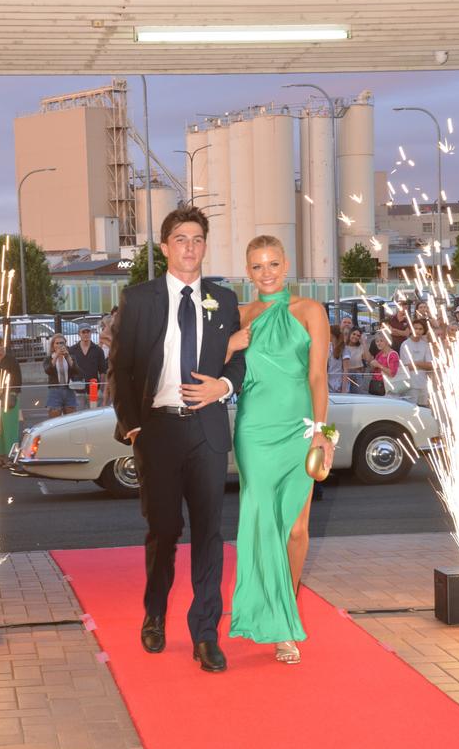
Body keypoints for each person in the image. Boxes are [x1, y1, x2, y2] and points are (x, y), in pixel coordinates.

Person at [109, 206, 245, 673]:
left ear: (205, 246)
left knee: (210, 534)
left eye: (198, 238)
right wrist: (132, 425)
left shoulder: (224, 300)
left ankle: (205, 633)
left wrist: (223, 387)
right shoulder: (139, 299)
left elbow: (236, 361)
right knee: (164, 532)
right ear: (165, 247)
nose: (190, 247)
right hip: (158, 431)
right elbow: (121, 369)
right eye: (181, 239)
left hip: (207, 430)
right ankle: (155, 612)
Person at [228, 235, 334, 664]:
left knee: (295, 528)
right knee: (261, 523)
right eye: (257, 266)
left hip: (300, 429)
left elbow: (318, 377)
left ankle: (282, 613)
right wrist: (228, 345)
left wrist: (321, 432)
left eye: (272, 263)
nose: (266, 272)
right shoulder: (240, 315)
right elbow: (211, 363)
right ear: (248, 272)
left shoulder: (310, 311)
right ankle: (278, 623)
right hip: (254, 429)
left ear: (286, 264)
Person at [0, 335, 22, 467]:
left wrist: (13, 393)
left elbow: (17, 381)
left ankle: (12, 456)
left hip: (9, 396)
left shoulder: (11, 361)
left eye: (0, 344)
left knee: (10, 428)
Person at [69, 323, 107, 410]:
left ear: (91, 333)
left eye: (88, 331)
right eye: (83, 332)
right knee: (79, 416)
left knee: (94, 415)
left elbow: (102, 371)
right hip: (78, 389)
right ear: (79, 334)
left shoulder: (98, 350)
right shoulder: (72, 350)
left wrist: (100, 388)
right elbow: (69, 369)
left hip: (94, 389)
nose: (86, 334)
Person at [43, 334, 82, 418]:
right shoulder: (49, 358)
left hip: (69, 389)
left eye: (62, 343)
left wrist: (67, 357)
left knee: (71, 417)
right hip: (55, 390)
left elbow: (77, 371)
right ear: (53, 345)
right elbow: (48, 370)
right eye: (57, 343)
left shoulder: (71, 357)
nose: (60, 345)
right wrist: (57, 355)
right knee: (54, 417)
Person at [399, 319, 433, 406]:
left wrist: (416, 363)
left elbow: (430, 365)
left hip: (424, 384)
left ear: (423, 331)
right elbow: (407, 366)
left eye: (420, 329)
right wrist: (421, 364)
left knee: (424, 409)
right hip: (410, 385)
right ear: (410, 329)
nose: (417, 331)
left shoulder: (425, 345)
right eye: (415, 328)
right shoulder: (405, 344)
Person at [362, 330, 400, 396]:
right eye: (377, 341)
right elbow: (373, 369)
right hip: (377, 386)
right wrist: (372, 366)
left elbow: (392, 373)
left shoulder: (393, 355)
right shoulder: (379, 354)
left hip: (387, 389)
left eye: (381, 341)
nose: (378, 343)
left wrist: (379, 365)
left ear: (388, 341)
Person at [327, 324, 351, 393]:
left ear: (333, 335)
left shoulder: (344, 349)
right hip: (329, 385)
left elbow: (345, 370)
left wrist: (343, 390)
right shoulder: (328, 347)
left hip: (339, 385)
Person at [345, 327, 368, 393]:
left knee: (358, 396)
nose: (355, 336)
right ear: (350, 334)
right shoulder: (344, 346)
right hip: (346, 374)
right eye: (354, 334)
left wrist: (363, 342)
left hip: (357, 374)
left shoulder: (360, 347)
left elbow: (367, 359)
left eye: (358, 335)